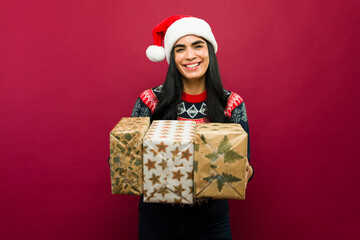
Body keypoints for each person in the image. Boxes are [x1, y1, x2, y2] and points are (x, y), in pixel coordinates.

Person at [130, 15, 254, 240]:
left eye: (198, 46)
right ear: (171, 56)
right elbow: (126, 158)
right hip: (157, 222)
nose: (190, 56)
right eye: (180, 49)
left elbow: (246, 165)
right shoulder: (149, 101)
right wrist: (126, 163)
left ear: (210, 51)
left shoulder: (232, 104)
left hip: (212, 223)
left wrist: (246, 171)